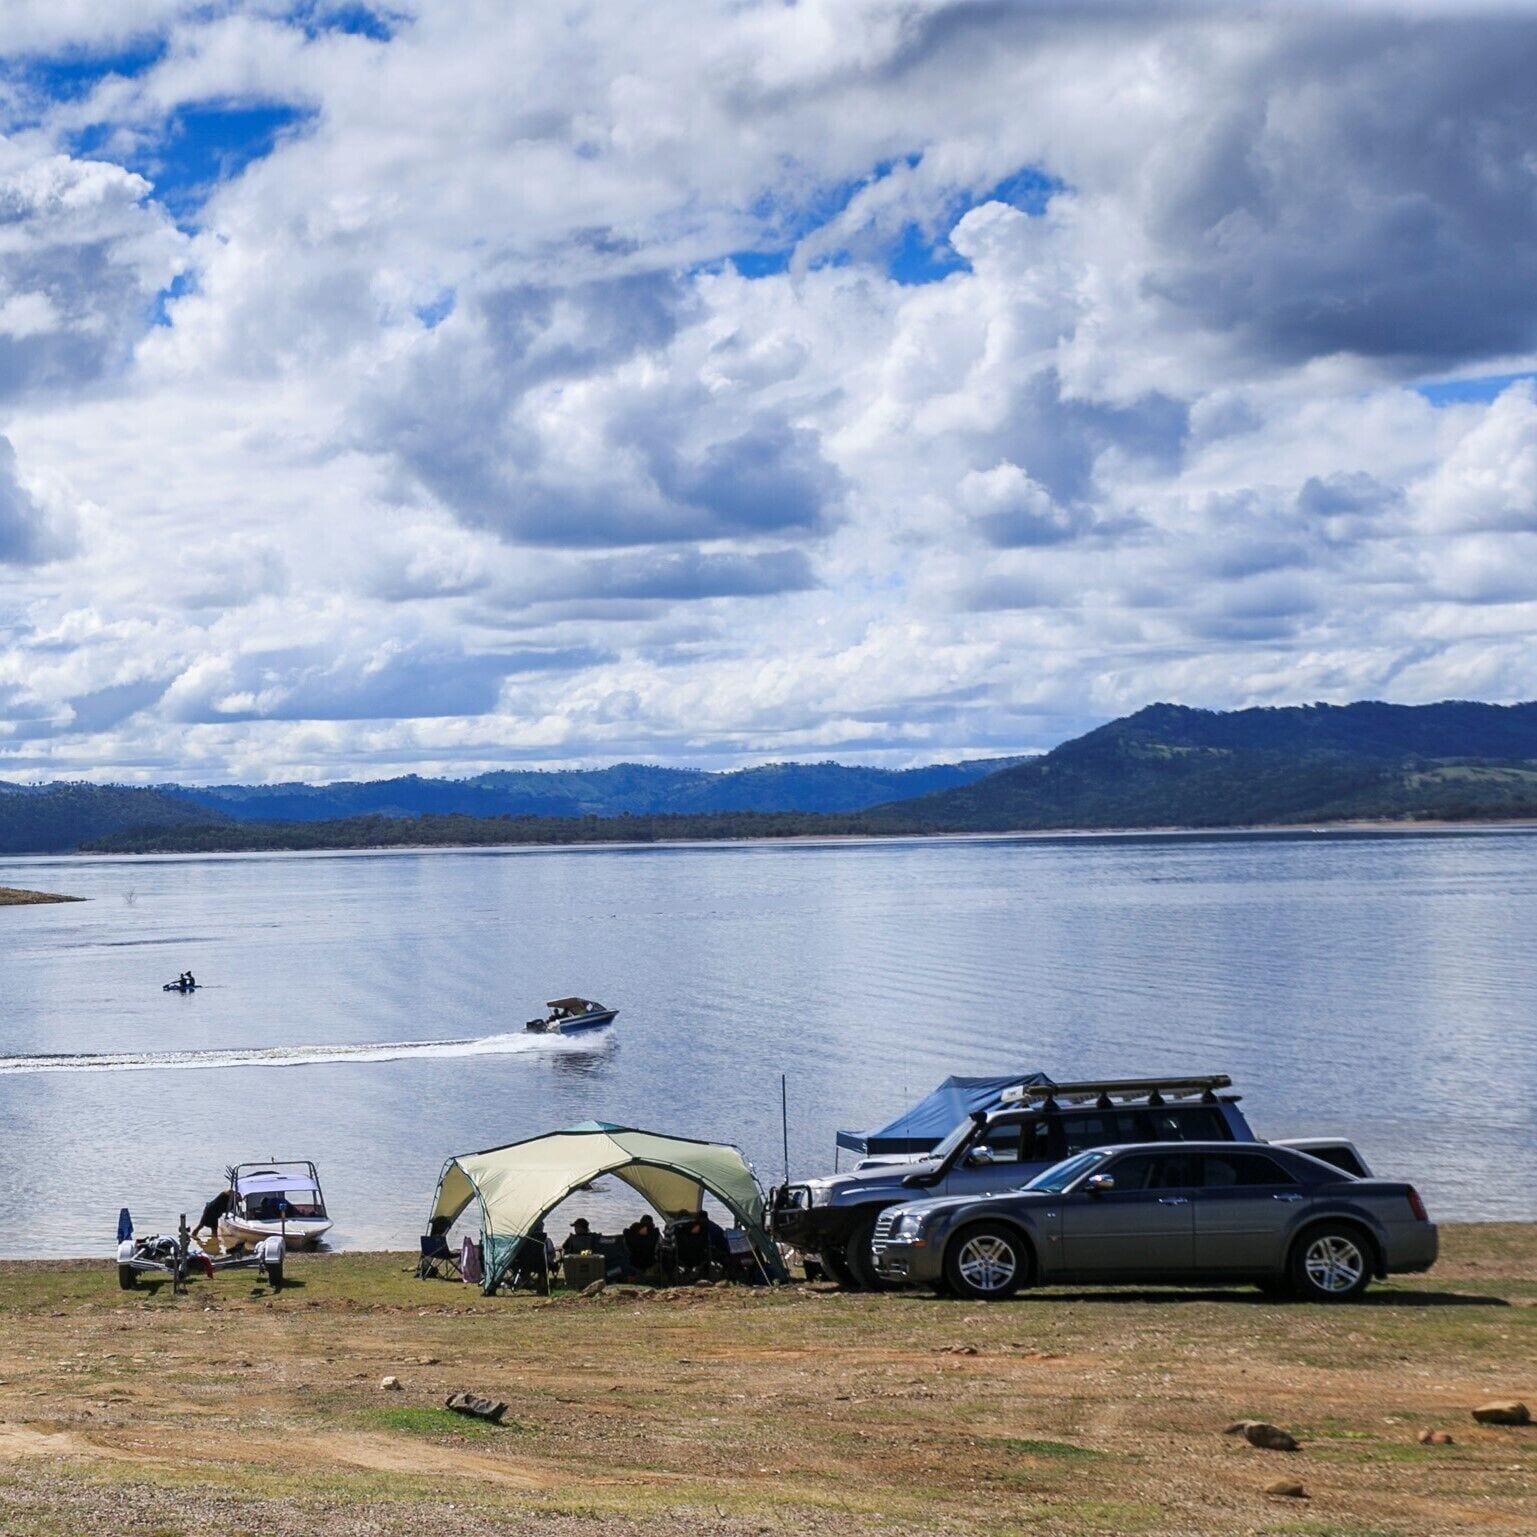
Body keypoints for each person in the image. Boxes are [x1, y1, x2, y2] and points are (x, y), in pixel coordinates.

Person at [623, 1214, 661, 1278]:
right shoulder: (655, 1234)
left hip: (634, 1262)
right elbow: (658, 1246)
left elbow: (625, 1234)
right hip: (649, 1262)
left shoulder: (630, 1233)